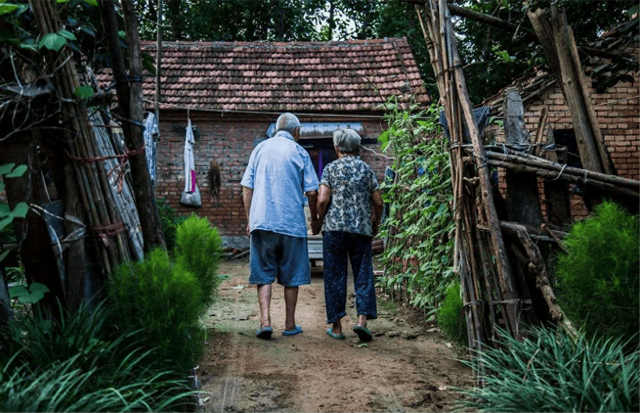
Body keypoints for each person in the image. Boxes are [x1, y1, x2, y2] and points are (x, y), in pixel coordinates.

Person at [241, 113, 319, 339]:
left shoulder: (259, 149)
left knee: (263, 274)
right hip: (291, 223)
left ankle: (265, 322)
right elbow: (312, 192)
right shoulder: (300, 152)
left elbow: (247, 189)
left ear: (276, 129)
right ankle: (289, 324)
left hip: (262, 222)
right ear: (297, 132)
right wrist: (313, 219)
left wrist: (250, 219)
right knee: (291, 275)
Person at [312, 129, 383, 342]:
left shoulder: (331, 169)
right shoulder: (366, 169)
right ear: (357, 148)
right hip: (361, 230)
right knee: (363, 272)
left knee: (334, 275)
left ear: (337, 148)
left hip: (334, 230)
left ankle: (337, 327)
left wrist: (319, 219)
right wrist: (375, 224)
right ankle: (362, 322)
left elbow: (323, 199)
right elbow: (378, 202)